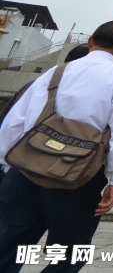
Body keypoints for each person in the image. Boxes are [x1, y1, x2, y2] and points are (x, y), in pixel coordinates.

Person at [0, 21, 113, 273]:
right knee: (71, 255)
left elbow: (15, 122)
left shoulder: (56, 72)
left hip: (25, 173)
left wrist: (6, 165)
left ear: (90, 41)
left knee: (6, 246)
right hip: (78, 177)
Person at [0, 45, 90, 182]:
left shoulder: (38, 84)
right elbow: (11, 123)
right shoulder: (45, 86)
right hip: (28, 164)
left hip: (21, 163)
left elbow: (9, 122)